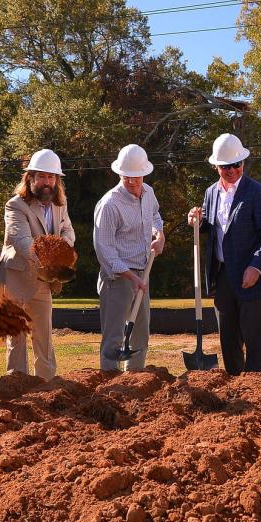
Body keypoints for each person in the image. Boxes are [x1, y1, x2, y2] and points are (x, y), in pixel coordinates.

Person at [187, 133, 261, 375]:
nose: (231, 170)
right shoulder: (210, 193)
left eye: (236, 165)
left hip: (252, 274)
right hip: (224, 274)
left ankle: (258, 392)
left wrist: (256, 266)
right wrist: (197, 220)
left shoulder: (258, 192)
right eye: (225, 166)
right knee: (228, 339)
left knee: (255, 340)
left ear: (243, 163)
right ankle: (236, 391)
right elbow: (211, 226)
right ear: (216, 166)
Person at [0, 148, 76, 380]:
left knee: (44, 336)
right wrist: (50, 255)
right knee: (17, 335)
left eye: (51, 177)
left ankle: (47, 386)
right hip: (15, 277)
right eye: (41, 176)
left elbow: (68, 231)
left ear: (57, 180)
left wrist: (63, 248)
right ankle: (17, 387)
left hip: (42, 279)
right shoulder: (15, 205)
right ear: (30, 178)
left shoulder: (60, 204)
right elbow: (21, 241)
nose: (47, 182)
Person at [93, 144, 165, 371]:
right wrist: (129, 276)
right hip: (117, 277)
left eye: (137, 177)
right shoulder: (110, 204)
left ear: (144, 173)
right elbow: (104, 250)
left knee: (140, 332)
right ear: (120, 174)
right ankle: (110, 382)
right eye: (127, 177)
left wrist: (159, 234)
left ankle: (137, 378)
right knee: (114, 334)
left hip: (144, 270)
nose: (133, 182)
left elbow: (155, 215)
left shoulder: (149, 193)